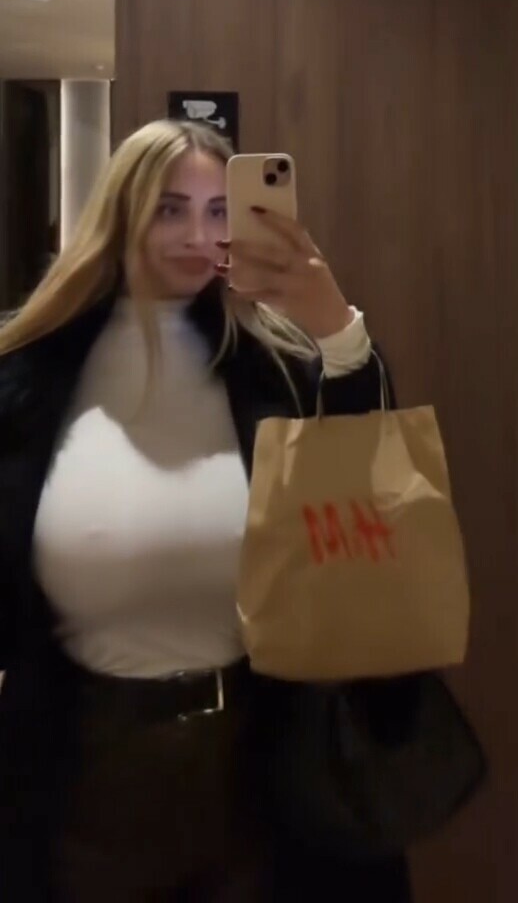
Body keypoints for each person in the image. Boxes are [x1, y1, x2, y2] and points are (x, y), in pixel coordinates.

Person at [0, 119, 412, 902]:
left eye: (221, 210)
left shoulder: (274, 366)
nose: (199, 236)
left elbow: (374, 482)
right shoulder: (31, 376)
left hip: (261, 753)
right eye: (171, 209)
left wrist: (335, 325)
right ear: (122, 213)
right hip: (81, 757)